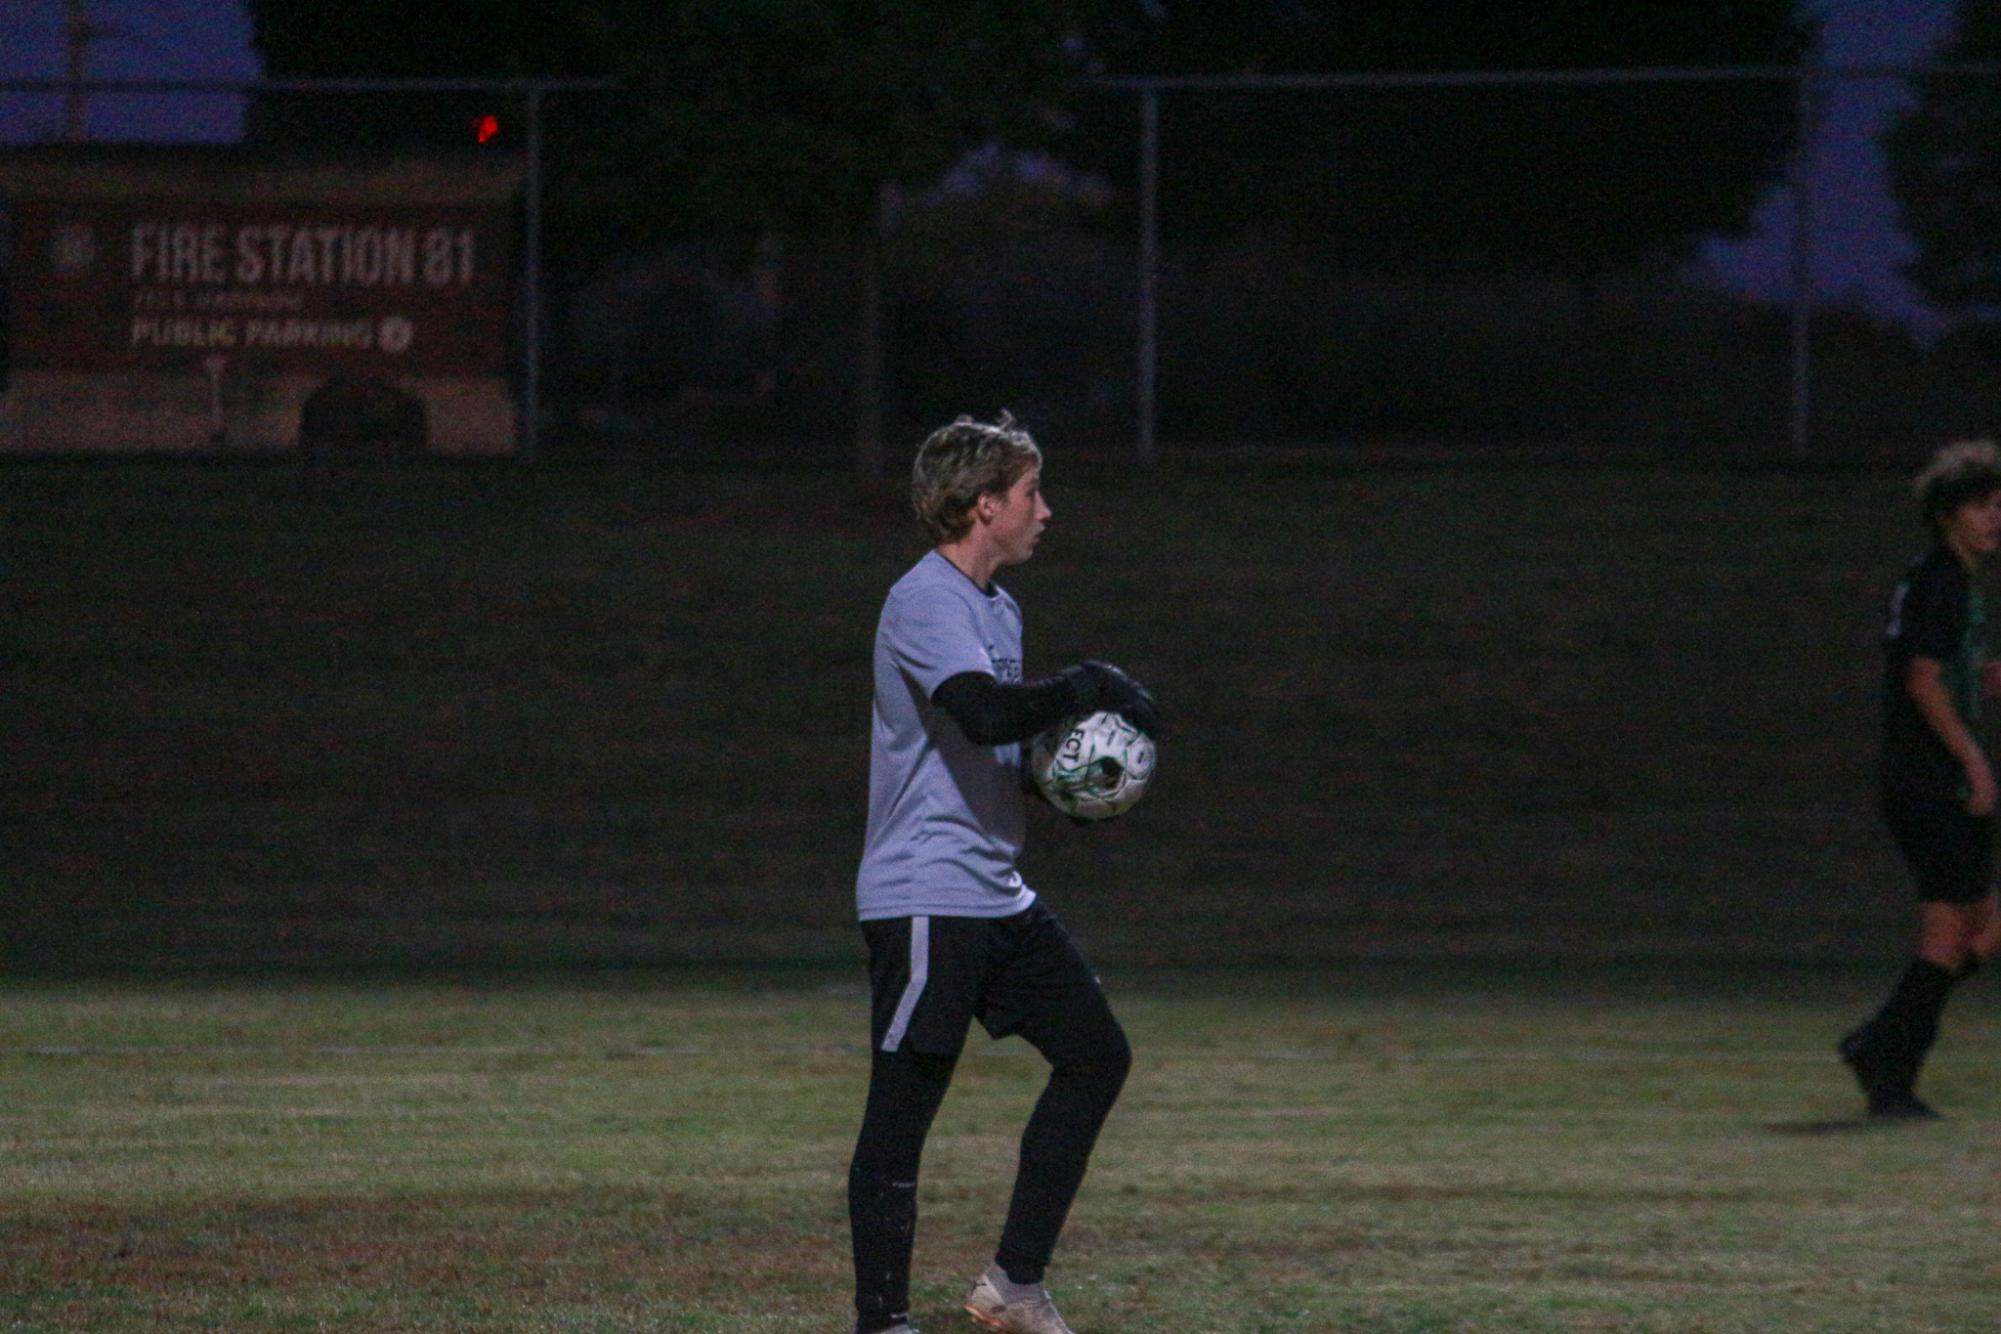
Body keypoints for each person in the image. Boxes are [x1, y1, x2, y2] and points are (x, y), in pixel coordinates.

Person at [847, 414, 1157, 1334]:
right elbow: (980, 712)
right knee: (901, 1121)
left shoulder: (997, 609)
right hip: (924, 896)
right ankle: (882, 1321)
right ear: (985, 504)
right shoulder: (924, 599)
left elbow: (1003, 751)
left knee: (1098, 1055)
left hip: (993, 893)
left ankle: (1013, 1285)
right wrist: (1090, 682)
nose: (1044, 512)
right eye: (1030, 494)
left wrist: (1077, 784)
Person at [1840, 439, 2001, 1119]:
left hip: (1927, 780)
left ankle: (1881, 1050)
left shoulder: (1951, 581)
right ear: (1946, 514)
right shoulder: (1939, 580)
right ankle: (1885, 1066)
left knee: (1974, 933)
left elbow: (1952, 672)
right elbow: (1921, 680)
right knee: (1960, 934)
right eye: (1984, 506)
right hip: (1927, 781)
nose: (1996, 518)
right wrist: (1971, 760)